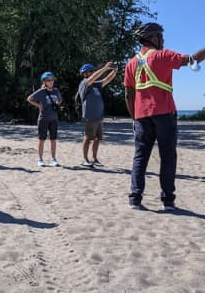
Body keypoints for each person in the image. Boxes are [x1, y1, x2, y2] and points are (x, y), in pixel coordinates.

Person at [124, 22, 205, 210]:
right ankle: (168, 201)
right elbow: (191, 60)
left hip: (142, 116)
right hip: (164, 114)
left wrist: (134, 118)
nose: (163, 40)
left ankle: (135, 198)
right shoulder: (163, 55)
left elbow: (129, 94)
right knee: (167, 157)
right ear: (153, 38)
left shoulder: (131, 63)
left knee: (140, 157)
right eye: (161, 36)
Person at [78, 62, 117, 167]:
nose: (92, 72)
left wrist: (114, 70)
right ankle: (85, 159)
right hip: (89, 116)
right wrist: (105, 68)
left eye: (92, 70)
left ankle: (94, 159)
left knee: (97, 138)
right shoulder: (84, 83)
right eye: (89, 71)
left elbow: (107, 80)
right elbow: (92, 78)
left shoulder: (96, 84)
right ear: (84, 73)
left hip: (99, 117)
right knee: (87, 138)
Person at [27, 71, 62, 167]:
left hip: (54, 119)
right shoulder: (41, 92)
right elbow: (29, 98)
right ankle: (40, 159)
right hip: (43, 119)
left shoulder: (56, 91)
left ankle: (53, 159)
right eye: (48, 80)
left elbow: (60, 99)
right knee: (42, 139)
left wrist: (58, 104)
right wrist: (38, 105)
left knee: (53, 140)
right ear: (44, 82)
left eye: (52, 80)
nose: (51, 81)